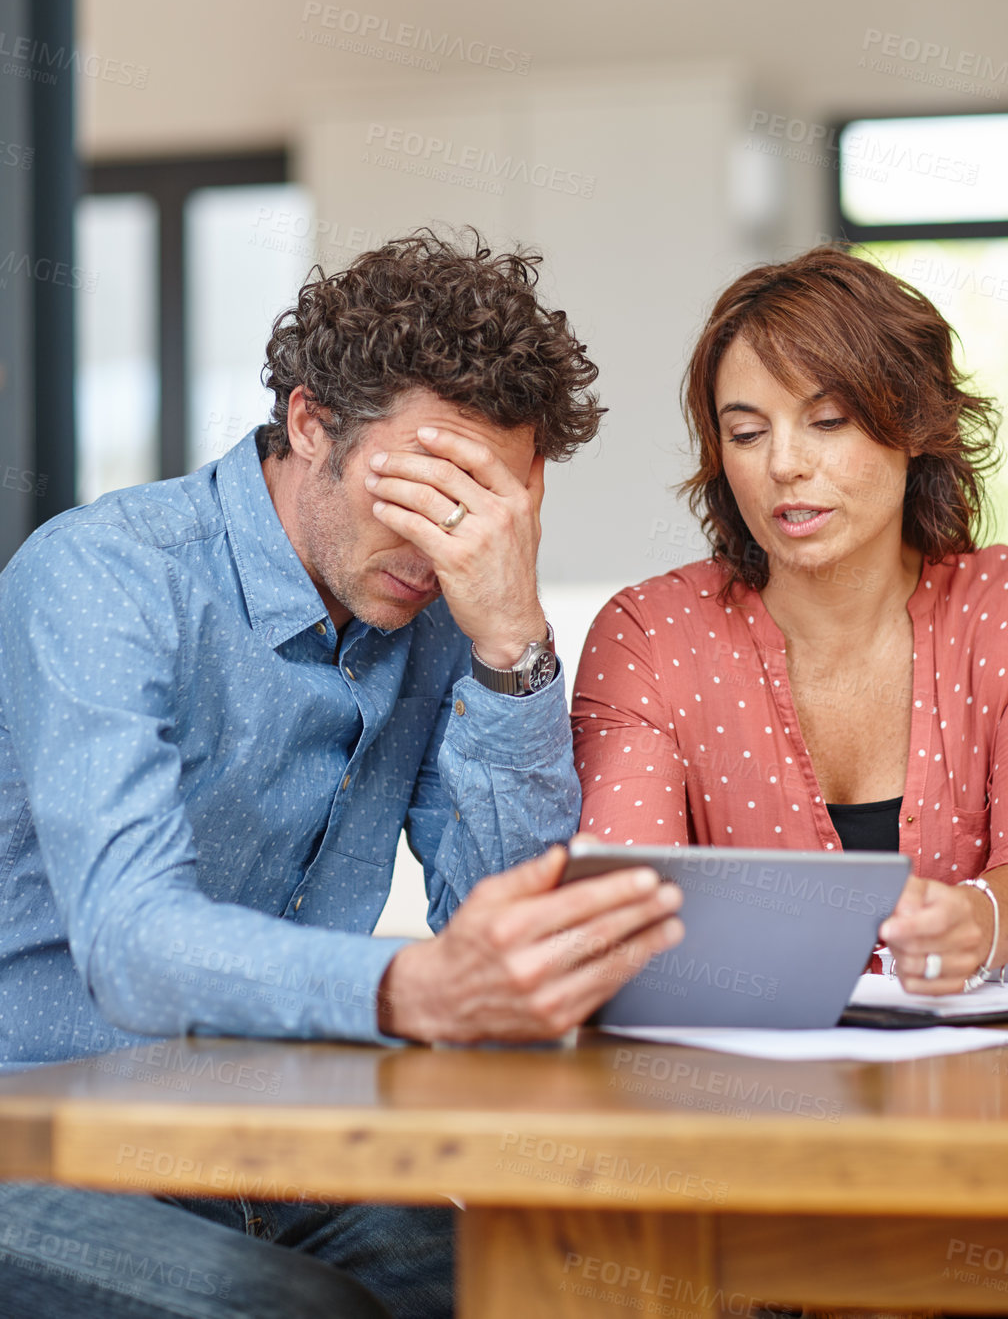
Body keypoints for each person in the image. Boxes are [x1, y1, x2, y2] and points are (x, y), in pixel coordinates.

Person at [0, 231, 683, 1319]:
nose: (436, 540)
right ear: (312, 423)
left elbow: (507, 913)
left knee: (547, 1289)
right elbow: (130, 940)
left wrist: (509, 640)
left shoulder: (443, 607)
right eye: (415, 486)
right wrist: (403, 989)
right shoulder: (103, 577)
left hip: (266, 1146)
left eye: (480, 503)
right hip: (36, 1140)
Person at [573, 244, 1008, 998]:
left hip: (974, 1096)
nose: (785, 464)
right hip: (728, 1090)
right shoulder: (649, 637)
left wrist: (978, 919)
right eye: (748, 433)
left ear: (914, 423)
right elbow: (625, 913)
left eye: (826, 420)